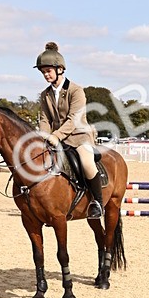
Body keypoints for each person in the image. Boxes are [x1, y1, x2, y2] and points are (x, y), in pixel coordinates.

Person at [35, 44, 103, 218]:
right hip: (56, 139)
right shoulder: (45, 94)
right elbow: (44, 119)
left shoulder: (76, 91)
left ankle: (97, 202)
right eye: (43, 72)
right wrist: (44, 137)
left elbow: (74, 119)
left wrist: (55, 135)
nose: (45, 75)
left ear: (60, 69)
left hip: (80, 137)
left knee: (87, 162)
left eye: (48, 71)